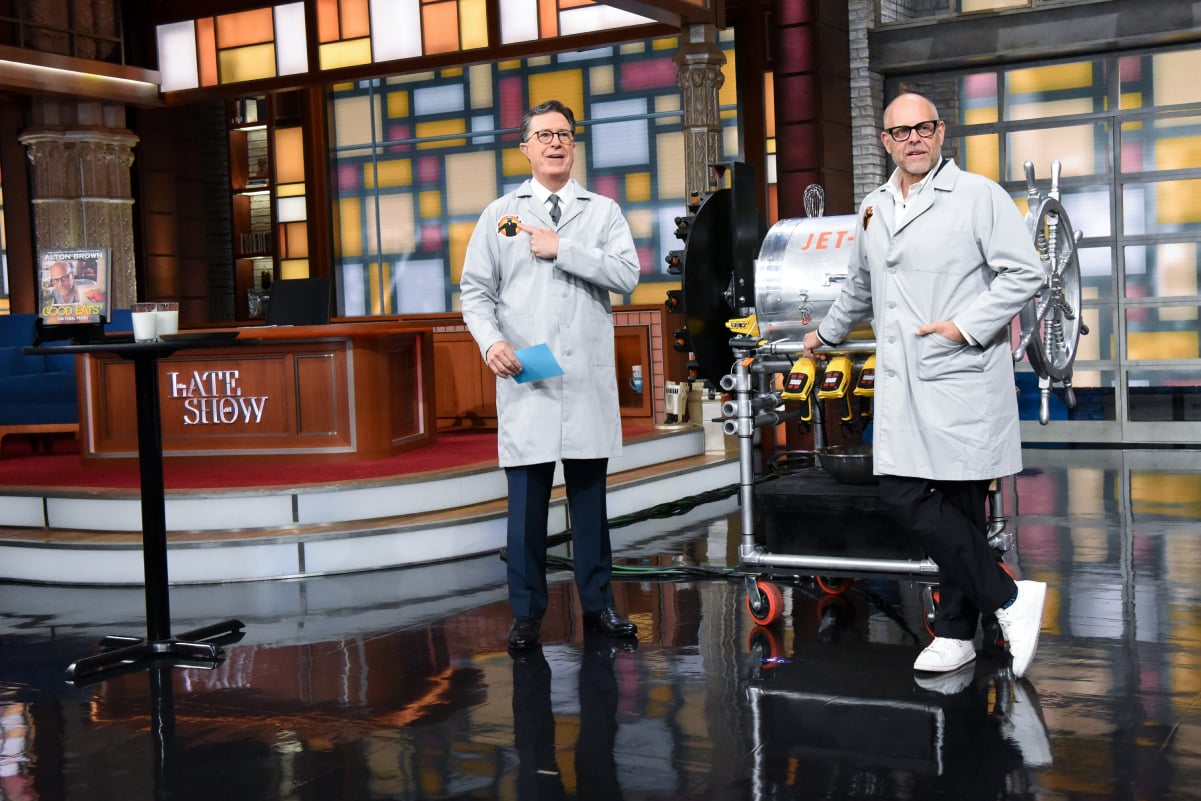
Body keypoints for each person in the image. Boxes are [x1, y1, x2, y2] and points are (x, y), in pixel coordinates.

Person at [802, 92, 1048, 678]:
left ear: (940, 134)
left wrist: (964, 327)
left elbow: (1027, 273)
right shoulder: (873, 207)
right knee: (902, 491)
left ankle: (960, 631)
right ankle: (1010, 599)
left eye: (925, 128)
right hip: (904, 380)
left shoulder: (977, 196)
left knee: (962, 506)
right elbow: (860, 286)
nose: (914, 138)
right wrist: (827, 336)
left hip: (958, 370)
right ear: (885, 141)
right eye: (901, 131)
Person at [460, 100, 641, 652]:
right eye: (543, 135)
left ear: (573, 144)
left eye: (563, 134)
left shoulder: (603, 212)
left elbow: (627, 275)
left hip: (583, 382)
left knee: (590, 508)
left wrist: (563, 248)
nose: (555, 143)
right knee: (526, 515)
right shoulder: (500, 214)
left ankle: (599, 606)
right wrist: (490, 342)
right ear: (525, 148)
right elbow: (475, 292)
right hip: (528, 380)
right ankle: (526, 615)